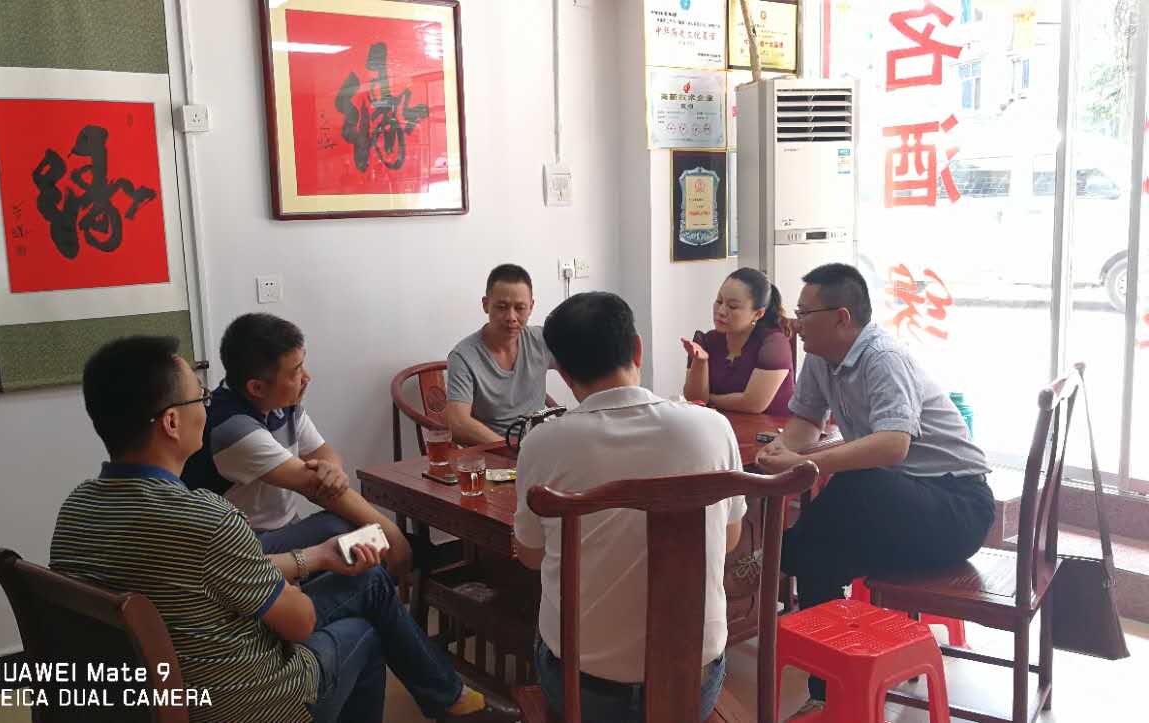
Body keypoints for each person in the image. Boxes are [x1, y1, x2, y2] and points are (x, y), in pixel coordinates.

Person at [51, 336, 512, 723]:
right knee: (365, 621)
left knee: (347, 557)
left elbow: (202, 577)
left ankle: (451, 700)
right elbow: (300, 622)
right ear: (171, 422)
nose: (207, 406)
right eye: (199, 397)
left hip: (148, 697)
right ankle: (452, 701)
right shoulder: (207, 518)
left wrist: (317, 557)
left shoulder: (76, 509)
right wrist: (304, 578)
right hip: (244, 702)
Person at [754, 263, 994, 717]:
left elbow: (892, 445)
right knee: (821, 554)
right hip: (900, 507)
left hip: (956, 509)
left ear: (841, 317)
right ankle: (828, 693)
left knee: (855, 484)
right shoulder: (820, 358)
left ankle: (773, 557)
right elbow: (806, 422)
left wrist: (806, 463)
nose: (795, 324)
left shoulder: (883, 358)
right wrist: (782, 449)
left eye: (804, 314)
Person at [513, 292, 747, 723]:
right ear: (637, 348)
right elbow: (731, 539)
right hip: (693, 684)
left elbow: (529, 556)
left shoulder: (543, 442)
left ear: (562, 373)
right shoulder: (713, 427)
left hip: (584, 692)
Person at [182, 313, 410, 577]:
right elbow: (315, 487)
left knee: (362, 549)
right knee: (346, 529)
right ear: (256, 387)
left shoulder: (281, 405)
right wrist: (393, 534)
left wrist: (331, 469)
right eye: (296, 371)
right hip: (239, 550)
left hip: (285, 528)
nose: (307, 377)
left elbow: (323, 453)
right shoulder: (233, 429)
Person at [445, 264, 554, 445]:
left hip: (540, 444)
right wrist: (513, 450)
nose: (511, 317)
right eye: (502, 307)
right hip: (493, 451)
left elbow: (585, 372)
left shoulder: (541, 340)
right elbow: (458, 423)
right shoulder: (463, 356)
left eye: (520, 308)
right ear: (485, 305)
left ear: (531, 307)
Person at [681, 267, 795, 415]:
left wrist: (709, 400)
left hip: (771, 427)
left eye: (732, 306)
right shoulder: (706, 340)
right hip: (722, 424)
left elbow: (753, 404)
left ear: (758, 313)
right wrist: (700, 362)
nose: (721, 311)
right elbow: (695, 400)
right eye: (719, 301)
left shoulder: (774, 344)